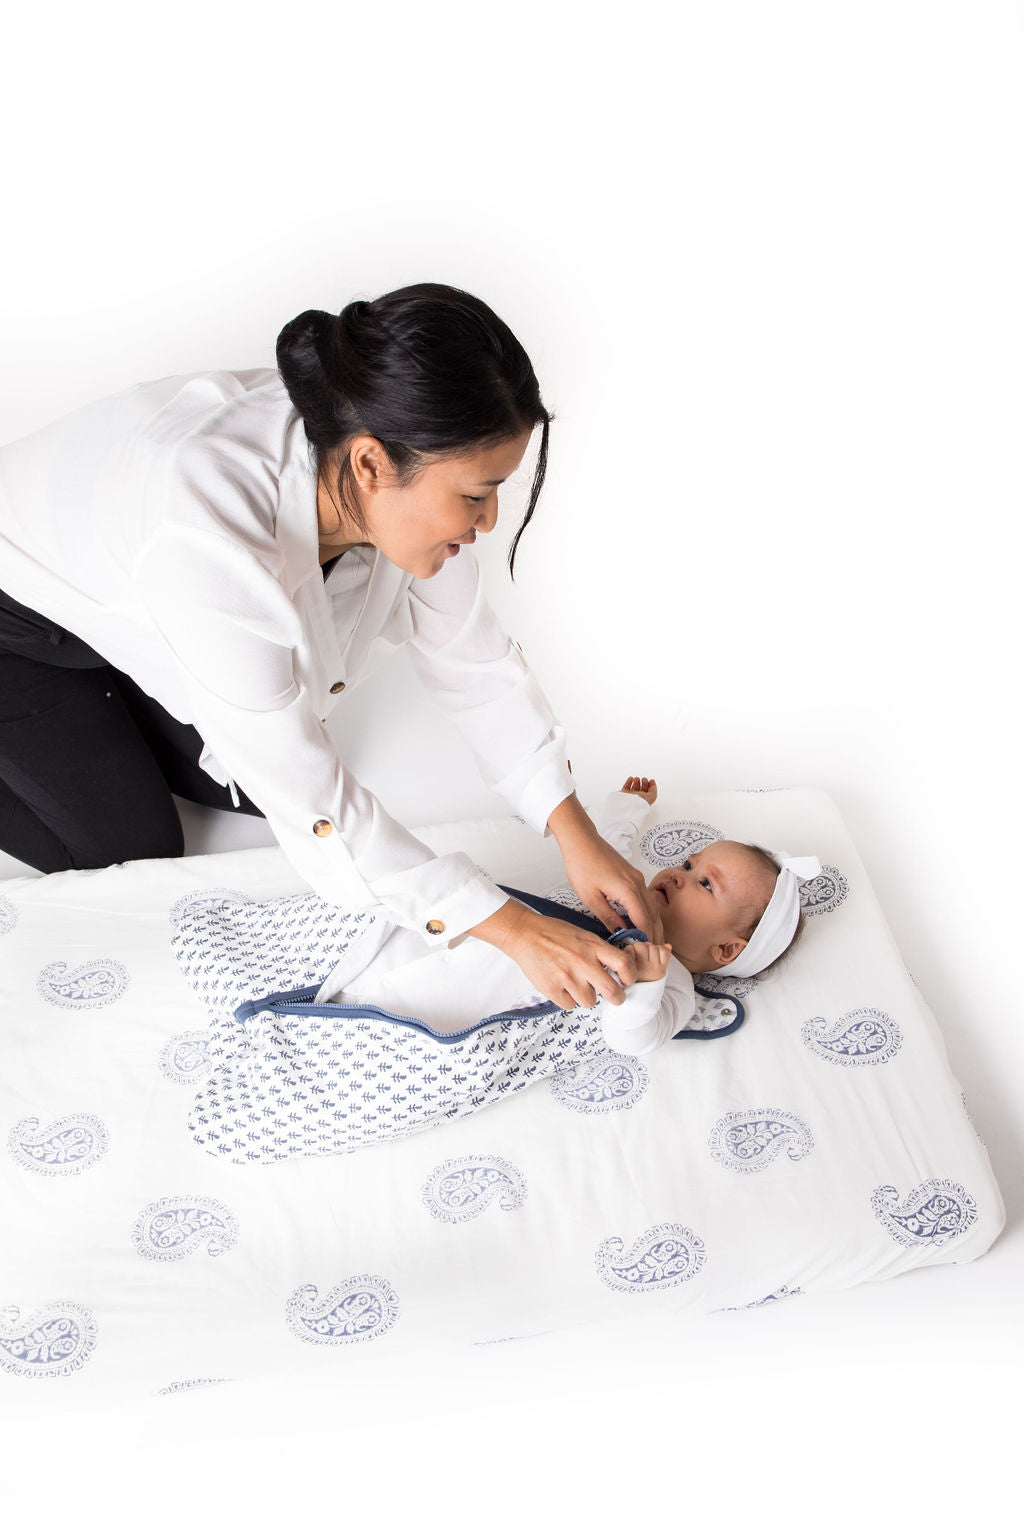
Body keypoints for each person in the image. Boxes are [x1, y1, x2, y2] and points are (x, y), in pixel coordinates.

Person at [0, 282, 661, 1009]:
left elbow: (472, 661)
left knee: (239, 786)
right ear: (371, 464)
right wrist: (513, 930)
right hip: (17, 614)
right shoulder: (203, 534)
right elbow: (313, 803)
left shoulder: (382, 453)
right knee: (126, 846)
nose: (489, 520)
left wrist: (575, 833)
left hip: (121, 585)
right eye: (476, 495)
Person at [172, 775, 822, 1161]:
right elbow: (608, 853)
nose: (678, 874)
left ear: (726, 951)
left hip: (462, 1016)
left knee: (383, 1022)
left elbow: (635, 1039)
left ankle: (285, 1054)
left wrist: (646, 987)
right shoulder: (629, 894)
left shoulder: (672, 982)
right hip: (456, 944)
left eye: (705, 884)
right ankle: (257, 976)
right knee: (374, 938)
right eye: (688, 863)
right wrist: (628, 811)